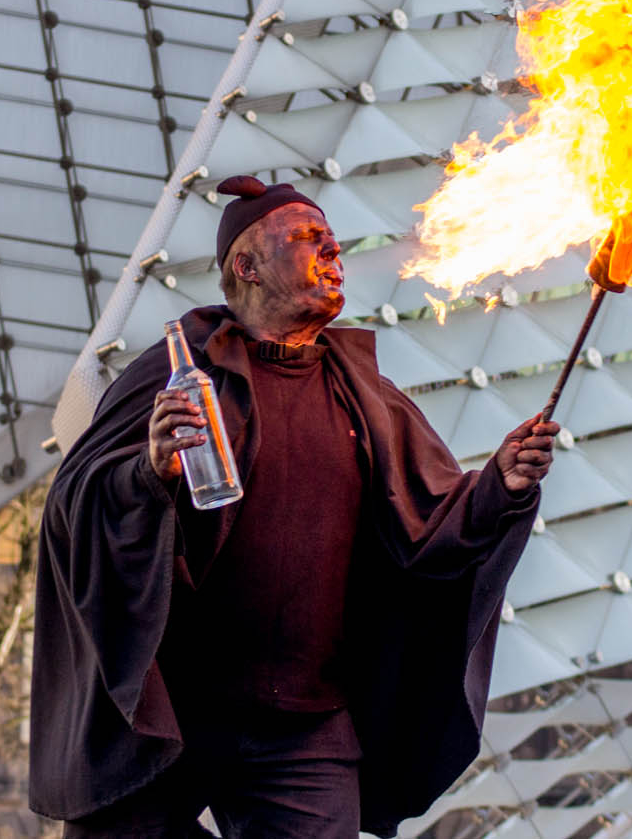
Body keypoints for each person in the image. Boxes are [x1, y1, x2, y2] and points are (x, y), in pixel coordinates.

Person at [29, 175, 560, 838]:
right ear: (247, 267)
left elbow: (432, 521)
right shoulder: (178, 372)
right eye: (309, 239)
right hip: (179, 709)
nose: (333, 251)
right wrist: (149, 470)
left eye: (332, 240)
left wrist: (501, 484)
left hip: (306, 724)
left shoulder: (362, 393)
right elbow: (76, 503)